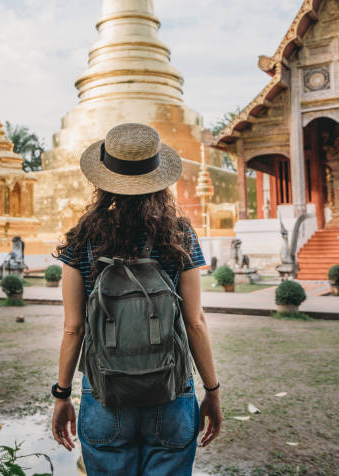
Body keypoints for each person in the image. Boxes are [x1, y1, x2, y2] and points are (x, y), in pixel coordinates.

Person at [51, 123, 222, 476]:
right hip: (171, 393)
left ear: (103, 179)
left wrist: (62, 394)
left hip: (104, 393)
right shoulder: (179, 235)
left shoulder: (82, 238)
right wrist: (212, 391)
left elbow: (73, 328)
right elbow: (194, 322)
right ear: (159, 179)